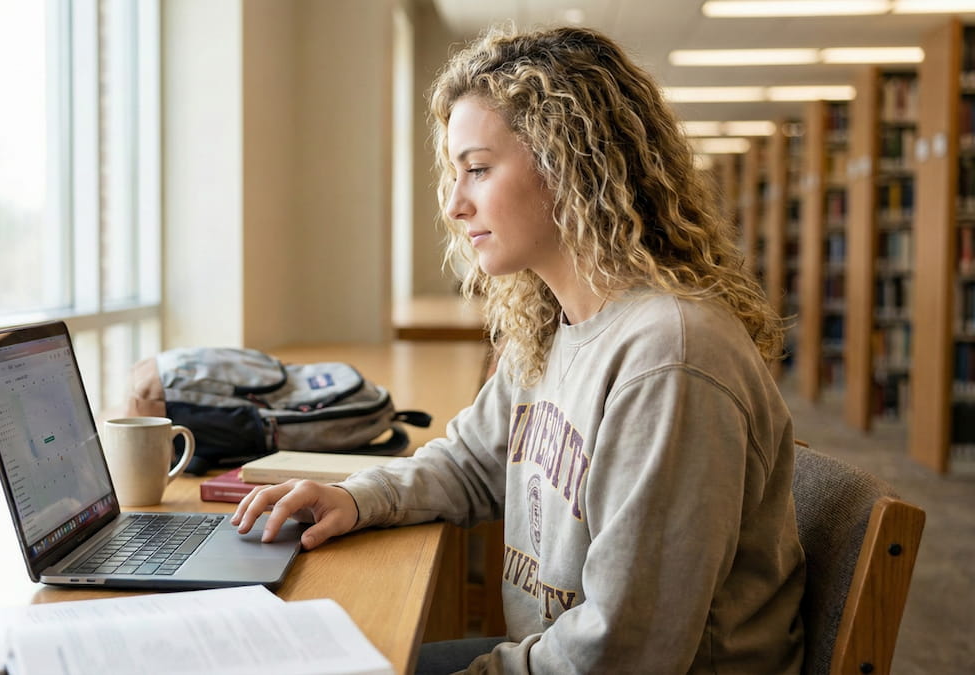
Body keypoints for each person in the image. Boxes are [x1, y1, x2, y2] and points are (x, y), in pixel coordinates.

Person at [233, 24, 805, 674]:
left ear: (572, 164)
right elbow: (472, 462)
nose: (455, 205)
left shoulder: (668, 357)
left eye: (477, 169)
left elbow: (625, 651)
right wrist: (358, 497)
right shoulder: (551, 322)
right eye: (455, 174)